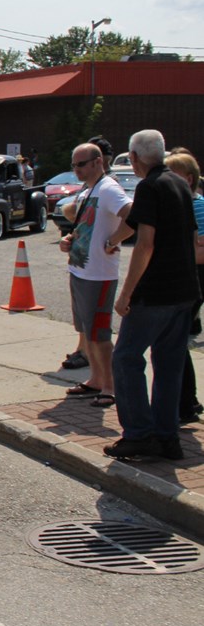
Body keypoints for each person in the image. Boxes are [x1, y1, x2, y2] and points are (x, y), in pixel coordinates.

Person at [103, 129, 200, 461]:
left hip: (155, 293)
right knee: (169, 364)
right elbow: (142, 224)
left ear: (133, 158)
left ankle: (139, 434)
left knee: (126, 358)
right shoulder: (178, 184)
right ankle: (166, 436)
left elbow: (146, 244)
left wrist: (125, 293)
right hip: (185, 290)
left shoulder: (148, 187)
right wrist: (113, 240)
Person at [57, 142, 132, 409]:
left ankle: (110, 386)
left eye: (80, 164)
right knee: (88, 331)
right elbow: (84, 227)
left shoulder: (109, 188)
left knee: (100, 333)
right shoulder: (89, 190)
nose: (75, 170)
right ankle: (96, 379)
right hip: (80, 270)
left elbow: (131, 215)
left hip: (99, 275)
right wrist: (68, 240)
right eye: (73, 164)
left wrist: (113, 241)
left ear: (97, 162)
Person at [166, 150, 204, 423]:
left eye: (172, 172)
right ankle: (187, 402)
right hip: (189, 279)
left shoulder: (195, 206)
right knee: (177, 342)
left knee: (175, 341)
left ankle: (186, 404)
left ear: (188, 179)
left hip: (194, 280)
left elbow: (199, 251)